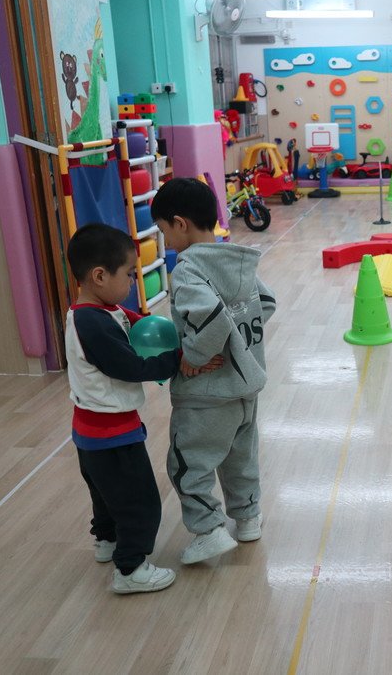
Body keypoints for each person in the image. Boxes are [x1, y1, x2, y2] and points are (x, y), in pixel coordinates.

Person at [64, 223, 218, 593]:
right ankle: (130, 569)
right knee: (140, 501)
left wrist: (172, 332)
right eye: (129, 274)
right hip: (111, 434)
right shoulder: (93, 324)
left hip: (92, 432)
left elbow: (135, 322)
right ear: (100, 276)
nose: (134, 282)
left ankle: (107, 540)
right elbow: (132, 366)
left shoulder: (97, 311)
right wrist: (180, 360)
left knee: (106, 495)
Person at [151, 178, 277, 565]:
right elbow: (266, 302)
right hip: (246, 388)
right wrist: (238, 342)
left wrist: (193, 355)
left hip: (206, 394)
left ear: (180, 223)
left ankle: (208, 531)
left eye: (164, 231)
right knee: (241, 457)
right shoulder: (233, 259)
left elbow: (212, 318)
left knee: (188, 463)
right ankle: (248, 517)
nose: (166, 240)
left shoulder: (188, 269)